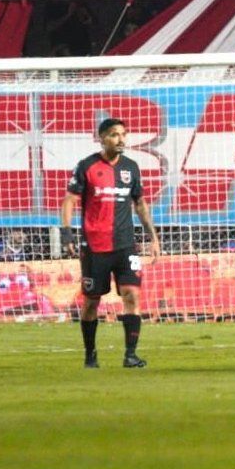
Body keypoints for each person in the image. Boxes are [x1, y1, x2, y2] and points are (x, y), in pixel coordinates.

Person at [60, 118, 161, 369]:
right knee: (92, 302)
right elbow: (70, 200)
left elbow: (140, 204)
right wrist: (66, 233)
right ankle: (90, 354)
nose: (121, 139)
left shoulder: (131, 167)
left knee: (132, 295)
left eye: (123, 134)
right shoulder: (87, 166)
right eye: (115, 134)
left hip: (126, 245)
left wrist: (153, 237)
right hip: (95, 247)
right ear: (102, 138)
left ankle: (130, 355)